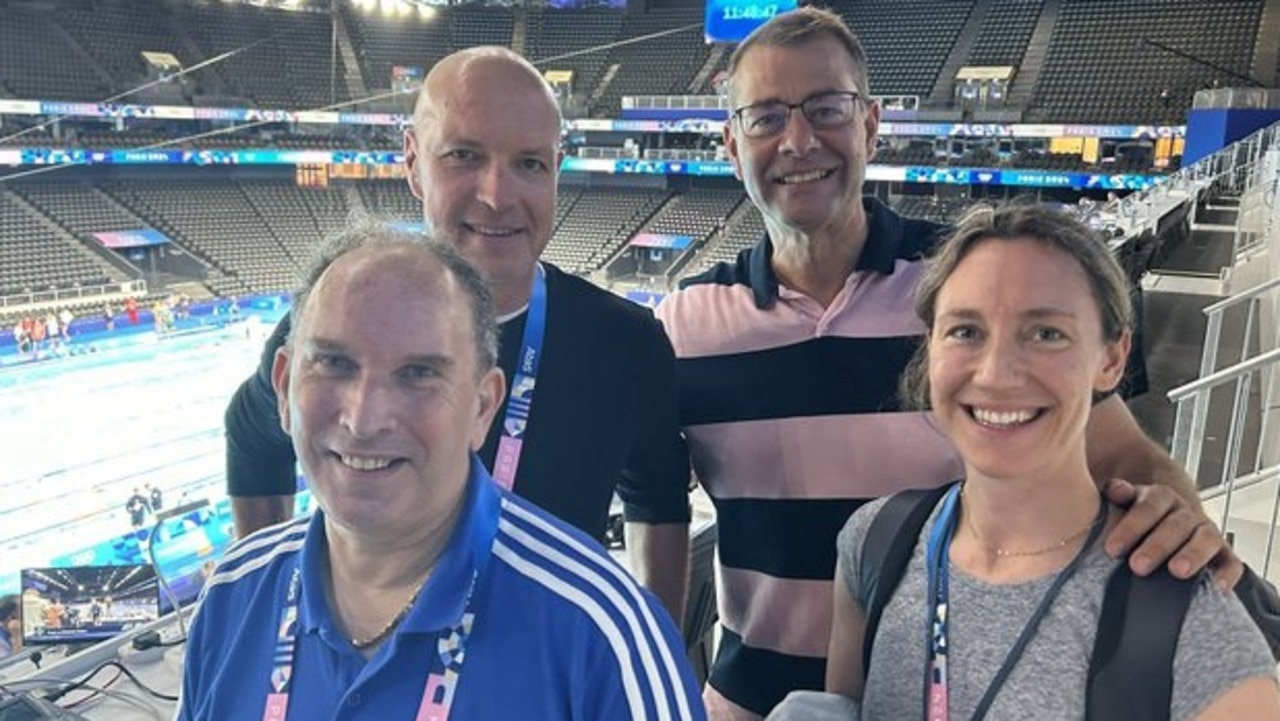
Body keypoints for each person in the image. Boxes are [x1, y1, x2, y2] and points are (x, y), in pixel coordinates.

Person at [655, 9, 1239, 718]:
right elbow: (644, 487)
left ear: (871, 125)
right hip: (750, 701)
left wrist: (1176, 518)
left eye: (826, 108)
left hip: (946, 693)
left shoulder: (968, 291)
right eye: (766, 116)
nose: (798, 139)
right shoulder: (685, 324)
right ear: (730, 143)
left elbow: (1126, 456)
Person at [222, 46, 691, 619]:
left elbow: (659, 501)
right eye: (464, 156)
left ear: (556, 173)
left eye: (529, 163)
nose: (496, 195)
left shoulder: (625, 343)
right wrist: (260, 605)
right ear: (413, 163)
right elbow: (250, 436)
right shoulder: (338, 328)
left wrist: (654, 643)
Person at [178, 224, 705, 720]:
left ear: (482, 406)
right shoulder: (232, 595)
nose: (363, 419)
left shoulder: (603, 632)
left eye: (419, 373)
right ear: (284, 386)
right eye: (334, 363)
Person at [780, 204, 1277, 720]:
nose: (996, 374)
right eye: (965, 331)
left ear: (1112, 358)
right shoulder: (874, 544)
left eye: (1046, 333)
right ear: (930, 348)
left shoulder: (1197, 631)